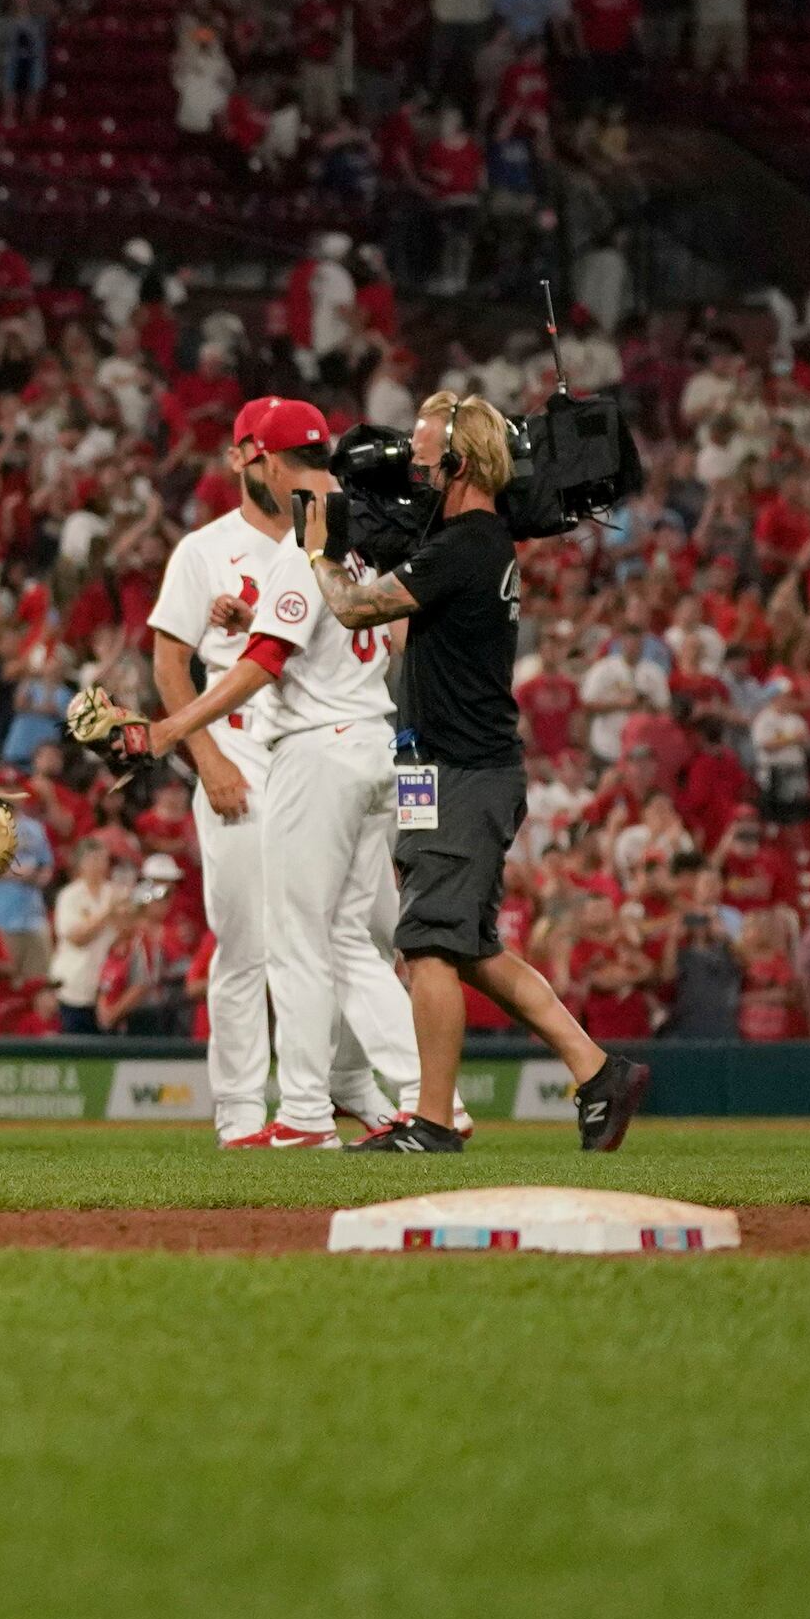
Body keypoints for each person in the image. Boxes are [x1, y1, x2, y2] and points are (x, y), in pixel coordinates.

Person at [278, 387, 653, 1154]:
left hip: (462, 771)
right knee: (468, 946)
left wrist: (319, 548)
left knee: (427, 942)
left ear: (458, 460)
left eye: (424, 456)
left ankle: (435, 1120)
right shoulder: (469, 538)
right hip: (435, 766)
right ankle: (598, 1070)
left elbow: (353, 608)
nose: (414, 468)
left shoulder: (468, 545)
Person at [125, 397, 419, 1145]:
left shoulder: (329, 537)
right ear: (240, 458)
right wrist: (208, 757)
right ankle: (241, 1109)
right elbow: (169, 659)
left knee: (348, 934)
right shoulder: (207, 548)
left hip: (309, 739)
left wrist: (170, 730)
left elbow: (326, 646)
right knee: (252, 941)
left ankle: (338, 1090)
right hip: (246, 745)